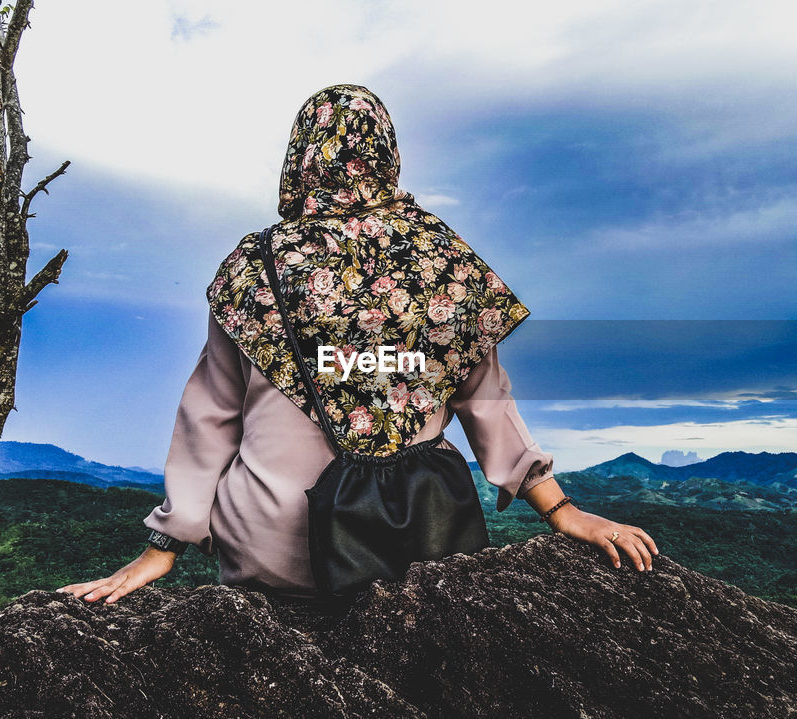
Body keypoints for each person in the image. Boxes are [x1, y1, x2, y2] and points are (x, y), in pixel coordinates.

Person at [57, 84, 658, 606]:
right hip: (412, 547)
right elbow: (487, 404)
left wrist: (165, 545)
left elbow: (208, 417)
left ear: (299, 159)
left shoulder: (257, 266)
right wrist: (563, 512)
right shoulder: (441, 261)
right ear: (388, 155)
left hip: (272, 558)